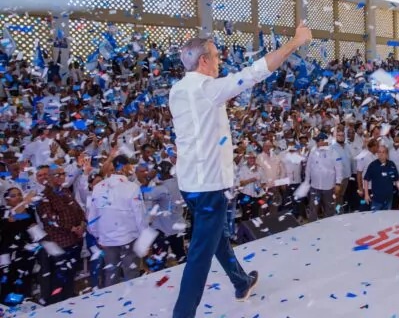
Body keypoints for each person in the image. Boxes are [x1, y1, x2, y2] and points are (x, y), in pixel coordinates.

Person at [168, 23, 311, 317]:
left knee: (215, 236)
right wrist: (294, 43)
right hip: (208, 185)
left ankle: (241, 282)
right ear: (204, 61)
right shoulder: (206, 89)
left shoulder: (177, 89)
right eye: (216, 57)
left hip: (190, 183)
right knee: (200, 253)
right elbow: (254, 73)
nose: (220, 61)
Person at [87, 155, 148, 287]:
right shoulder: (132, 187)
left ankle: (111, 304)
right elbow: (140, 216)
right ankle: (133, 302)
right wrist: (144, 239)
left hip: (107, 239)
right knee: (131, 272)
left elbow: (92, 216)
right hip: (129, 238)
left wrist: (98, 235)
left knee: (111, 273)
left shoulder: (98, 187)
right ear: (126, 167)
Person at [35, 165, 86, 305]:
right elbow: (51, 220)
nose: (62, 176)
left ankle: (68, 301)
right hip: (59, 244)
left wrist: (82, 224)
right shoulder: (44, 196)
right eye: (58, 174)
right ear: (49, 177)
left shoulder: (65, 191)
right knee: (58, 279)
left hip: (74, 241)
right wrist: (73, 228)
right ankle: (56, 306)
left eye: (63, 173)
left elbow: (79, 210)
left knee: (70, 275)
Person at [0, 187, 37, 305]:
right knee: (8, 283)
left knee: (24, 282)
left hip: (26, 252)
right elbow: (11, 218)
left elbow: (31, 226)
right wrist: (25, 202)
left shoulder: (29, 210)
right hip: (8, 255)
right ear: (7, 200)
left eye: (19, 194)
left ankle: (23, 307)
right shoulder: (3, 211)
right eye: (13, 195)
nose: (18, 197)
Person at [304, 132, 343, 221]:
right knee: (313, 208)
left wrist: (338, 184)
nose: (317, 143)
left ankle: (328, 227)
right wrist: (307, 181)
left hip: (328, 187)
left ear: (325, 141)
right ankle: (312, 227)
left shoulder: (334, 153)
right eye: (317, 141)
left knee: (329, 209)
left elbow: (339, 169)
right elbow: (308, 168)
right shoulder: (313, 152)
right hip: (315, 186)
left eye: (319, 141)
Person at [363, 145, 399, 210]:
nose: (381, 154)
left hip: (389, 199)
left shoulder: (391, 164)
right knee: (375, 219)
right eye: (379, 152)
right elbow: (366, 180)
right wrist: (366, 194)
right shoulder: (373, 165)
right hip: (376, 200)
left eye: (383, 152)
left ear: (387, 154)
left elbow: (396, 180)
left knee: (386, 218)